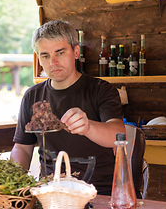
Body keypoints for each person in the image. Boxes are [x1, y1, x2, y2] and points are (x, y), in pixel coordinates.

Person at [10, 20, 125, 195]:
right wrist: (13, 179)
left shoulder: (101, 90)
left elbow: (117, 135)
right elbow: (22, 148)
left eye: (60, 53)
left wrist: (89, 127)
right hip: (50, 193)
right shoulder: (32, 96)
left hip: (99, 193)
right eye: (45, 55)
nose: (53, 62)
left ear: (76, 52)